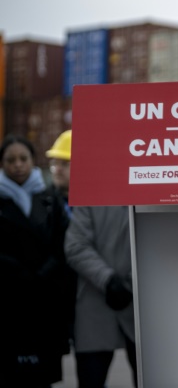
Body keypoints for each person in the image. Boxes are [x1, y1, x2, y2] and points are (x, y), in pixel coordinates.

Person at [0, 136, 73, 386]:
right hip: (9, 303)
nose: (18, 165)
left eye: (24, 159)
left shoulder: (50, 199)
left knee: (43, 377)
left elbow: (63, 243)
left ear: (33, 161)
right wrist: (19, 274)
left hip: (45, 303)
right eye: (11, 160)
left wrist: (45, 272)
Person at [65, 205, 138, 388]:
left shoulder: (153, 193)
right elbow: (75, 246)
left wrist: (130, 281)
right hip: (96, 304)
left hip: (141, 306)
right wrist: (108, 280)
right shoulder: (92, 198)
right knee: (92, 378)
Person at [45, 130, 72, 219]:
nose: (58, 169)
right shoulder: (43, 203)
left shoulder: (96, 205)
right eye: (55, 163)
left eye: (65, 163)